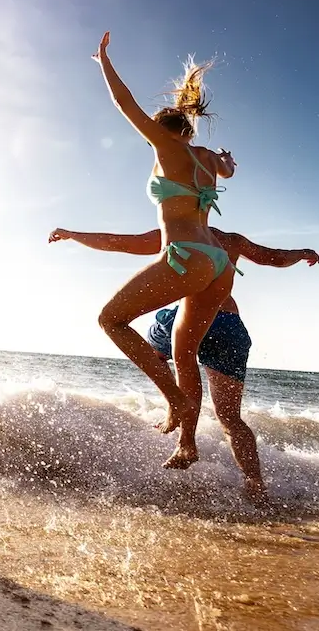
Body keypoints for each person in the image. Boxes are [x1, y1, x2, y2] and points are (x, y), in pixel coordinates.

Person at [49, 226, 319, 500]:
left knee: (160, 351)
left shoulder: (180, 229)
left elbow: (119, 241)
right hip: (227, 325)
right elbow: (271, 257)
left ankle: (179, 418)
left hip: (188, 319)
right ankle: (255, 485)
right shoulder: (231, 241)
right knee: (229, 418)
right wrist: (301, 253)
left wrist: (74, 235)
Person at [93, 32, 238, 470]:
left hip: (186, 256)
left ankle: (175, 399)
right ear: (189, 129)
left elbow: (124, 102)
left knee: (111, 320)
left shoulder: (165, 147)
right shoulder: (209, 158)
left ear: (163, 129)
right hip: (218, 262)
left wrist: (103, 60)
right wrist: (228, 161)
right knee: (184, 354)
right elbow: (229, 167)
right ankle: (188, 443)